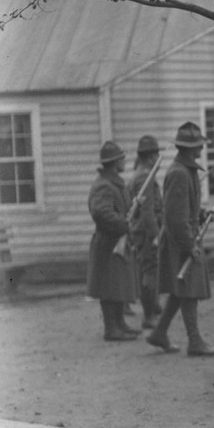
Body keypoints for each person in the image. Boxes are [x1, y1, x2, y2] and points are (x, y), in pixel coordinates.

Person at [146, 122, 214, 356]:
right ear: (191, 148)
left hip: (183, 237)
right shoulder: (179, 173)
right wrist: (189, 245)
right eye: (199, 144)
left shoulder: (184, 170)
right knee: (188, 290)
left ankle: (159, 333)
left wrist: (201, 213)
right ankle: (195, 341)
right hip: (181, 241)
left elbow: (185, 209)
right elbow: (176, 217)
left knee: (181, 289)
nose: (202, 148)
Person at [87, 141, 140, 342]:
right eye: (121, 159)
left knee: (118, 284)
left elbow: (120, 209)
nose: (124, 161)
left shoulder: (114, 183)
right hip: (108, 243)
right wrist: (123, 224)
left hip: (118, 241)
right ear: (114, 163)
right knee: (108, 287)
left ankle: (120, 324)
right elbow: (101, 212)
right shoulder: (104, 185)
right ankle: (111, 329)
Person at [127, 135, 164, 330]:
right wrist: (156, 235)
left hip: (140, 231)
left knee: (147, 271)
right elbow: (148, 212)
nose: (158, 158)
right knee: (150, 272)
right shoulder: (144, 177)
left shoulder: (139, 174)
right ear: (150, 157)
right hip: (146, 232)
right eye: (156, 154)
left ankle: (152, 309)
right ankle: (149, 316)